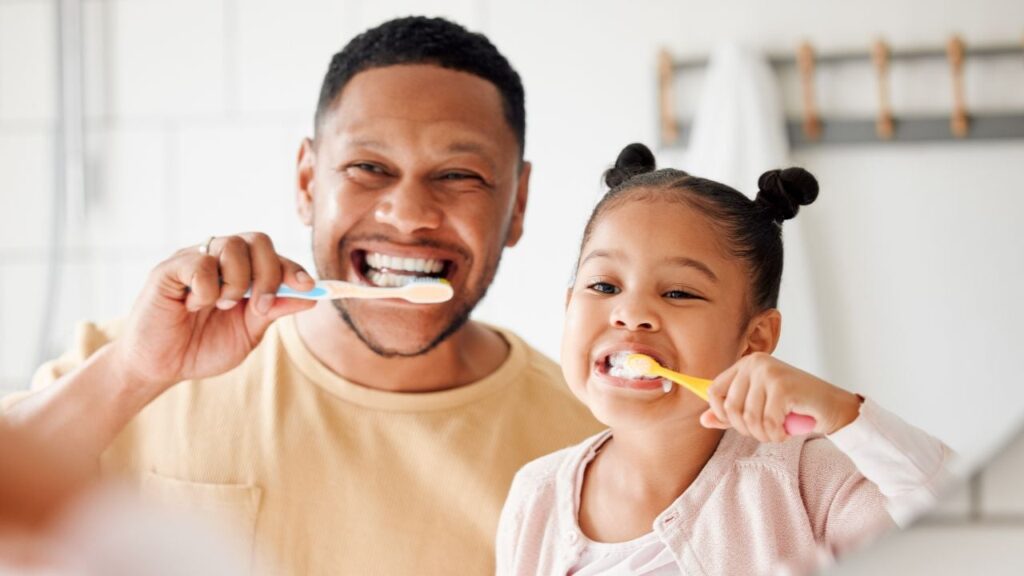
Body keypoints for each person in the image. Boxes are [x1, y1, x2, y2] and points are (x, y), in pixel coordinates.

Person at [2, 16, 601, 575]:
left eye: (458, 176)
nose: (410, 215)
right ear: (308, 182)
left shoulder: (588, 443)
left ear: (517, 204)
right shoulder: (131, 367)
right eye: (369, 167)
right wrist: (133, 372)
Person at [496, 143, 952, 575]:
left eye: (678, 292)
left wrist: (845, 415)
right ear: (568, 305)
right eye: (603, 286)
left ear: (754, 339)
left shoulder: (811, 483)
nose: (631, 313)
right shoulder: (535, 495)